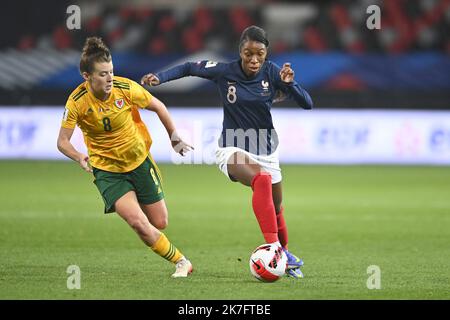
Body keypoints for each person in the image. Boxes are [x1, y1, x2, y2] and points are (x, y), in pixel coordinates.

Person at [141, 25, 313, 278]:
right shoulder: (224, 71)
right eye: (248, 53)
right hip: (232, 145)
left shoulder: (273, 72)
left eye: (260, 54)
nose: (254, 59)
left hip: (266, 150)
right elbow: (189, 67)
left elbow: (307, 104)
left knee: (276, 210)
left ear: (266, 53)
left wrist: (291, 84)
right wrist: (160, 78)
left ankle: (284, 256)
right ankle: (274, 247)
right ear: (240, 51)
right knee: (261, 180)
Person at [57, 37, 194, 278]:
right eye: (102, 74)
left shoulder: (126, 88)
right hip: (107, 171)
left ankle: (137, 206)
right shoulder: (77, 102)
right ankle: (182, 262)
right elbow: (62, 142)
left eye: (111, 72)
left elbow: (159, 106)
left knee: (159, 222)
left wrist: (174, 137)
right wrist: (79, 156)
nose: (109, 78)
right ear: (86, 76)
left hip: (139, 160)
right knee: (138, 223)